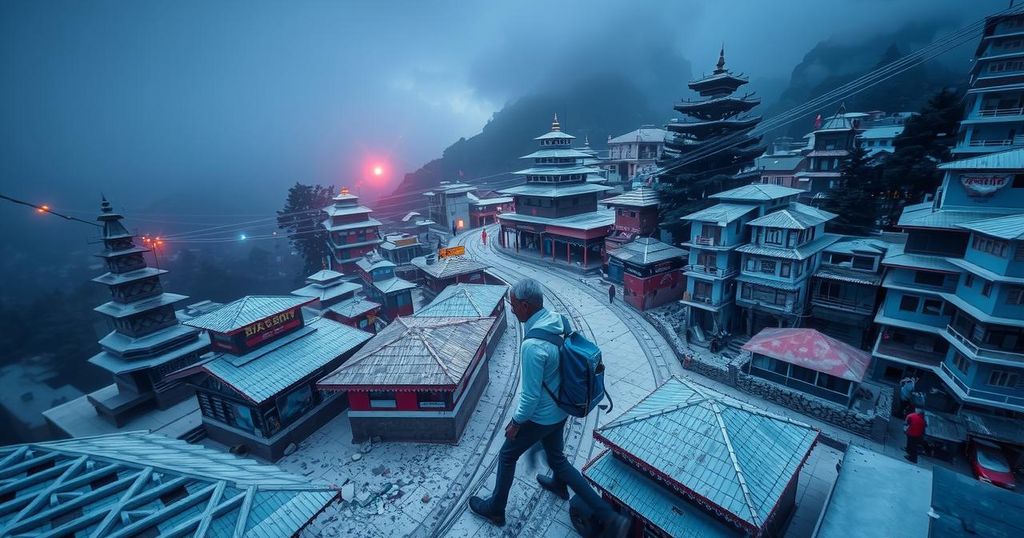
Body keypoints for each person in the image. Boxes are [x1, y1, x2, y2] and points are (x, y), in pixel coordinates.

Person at [469, 279, 629, 537]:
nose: (511, 309)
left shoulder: (532, 346)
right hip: (562, 409)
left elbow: (530, 397)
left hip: (541, 416)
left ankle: (496, 509)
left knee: (507, 456)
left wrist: (516, 422)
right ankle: (592, 505)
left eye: (512, 304)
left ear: (525, 305)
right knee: (557, 459)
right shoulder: (557, 320)